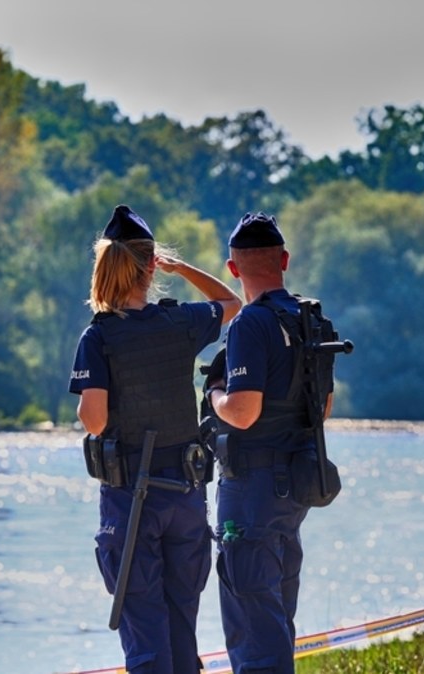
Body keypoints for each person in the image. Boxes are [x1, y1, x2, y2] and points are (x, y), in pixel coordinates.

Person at [69, 204, 241, 674]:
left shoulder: (98, 337)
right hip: (185, 495)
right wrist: (181, 268)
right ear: (151, 267)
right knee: (182, 625)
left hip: (131, 499)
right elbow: (232, 303)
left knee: (145, 633)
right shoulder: (181, 322)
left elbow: (95, 422)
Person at [205, 212, 337, 674]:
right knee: (276, 615)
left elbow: (242, 412)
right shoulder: (311, 319)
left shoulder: (249, 324)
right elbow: (322, 409)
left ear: (233, 268)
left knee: (254, 625)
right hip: (294, 488)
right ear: (284, 260)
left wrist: (214, 393)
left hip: (250, 490)